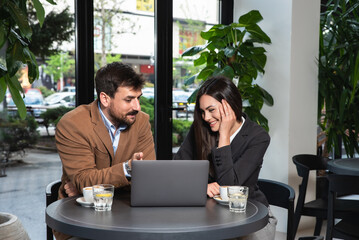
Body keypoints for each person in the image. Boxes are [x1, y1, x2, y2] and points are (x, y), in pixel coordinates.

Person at [54, 62, 156, 240]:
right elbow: (85, 180)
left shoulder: (141, 122)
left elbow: (149, 181)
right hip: (81, 219)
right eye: (129, 99)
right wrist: (128, 170)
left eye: (138, 98)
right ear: (105, 98)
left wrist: (88, 188)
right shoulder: (72, 124)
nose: (137, 107)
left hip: (128, 215)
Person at [174, 76, 276, 240]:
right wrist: (201, 186)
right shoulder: (201, 128)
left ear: (229, 105)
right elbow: (177, 169)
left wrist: (224, 136)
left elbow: (230, 187)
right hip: (209, 213)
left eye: (211, 110)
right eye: (202, 111)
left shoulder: (258, 137)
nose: (206, 117)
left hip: (249, 217)